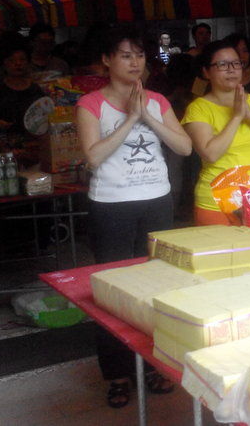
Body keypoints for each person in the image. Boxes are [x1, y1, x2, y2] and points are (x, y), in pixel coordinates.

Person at [75, 26, 191, 408]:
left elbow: (184, 146)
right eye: (125, 55)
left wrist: (148, 117)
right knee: (112, 290)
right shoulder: (90, 104)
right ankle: (118, 373)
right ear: (107, 60)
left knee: (158, 286)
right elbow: (92, 157)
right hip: (111, 205)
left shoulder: (157, 100)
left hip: (156, 201)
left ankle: (156, 363)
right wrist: (129, 119)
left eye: (139, 55)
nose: (135, 62)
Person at [181, 40, 250, 226]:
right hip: (215, 202)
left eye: (236, 63)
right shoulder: (198, 108)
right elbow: (210, 153)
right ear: (206, 72)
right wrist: (237, 117)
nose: (231, 69)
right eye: (222, 64)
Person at [0, 35, 45, 134]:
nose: (18, 64)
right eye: (12, 60)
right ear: (4, 64)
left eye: (22, 60)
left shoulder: (36, 90)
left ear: (28, 63)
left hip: (32, 139)